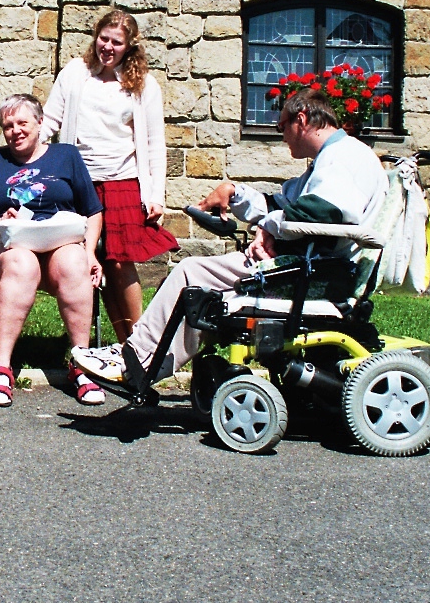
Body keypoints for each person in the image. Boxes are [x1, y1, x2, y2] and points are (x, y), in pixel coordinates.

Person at [71, 86, 388, 386]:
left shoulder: (346, 156)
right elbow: (283, 204)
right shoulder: (333, 159)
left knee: (190, 274)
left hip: (314, 274)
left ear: (301, 120)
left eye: (282, 127)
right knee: (202, 292)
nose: (282, 137)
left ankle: (132, 358)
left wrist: (270, 227)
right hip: (310, 267)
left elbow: (326, 211)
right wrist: (234, 193)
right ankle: (143, 365)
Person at [41, 8, 176, 355]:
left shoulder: (143, 84)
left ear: (129, 46)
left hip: (122, 180)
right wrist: (31, 154)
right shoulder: (75, 73)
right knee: (83, 263)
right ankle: (105, 346)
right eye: (104, 38)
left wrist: (156, 195)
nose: (108, 47)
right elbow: (51, 119)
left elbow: (154, 143)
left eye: (117, 42)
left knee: (118, 262)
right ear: (95, 36)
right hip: (78, 180)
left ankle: (140, 345)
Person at [0, 93, 105, 407]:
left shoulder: (66, 156)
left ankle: (82, 364)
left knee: (74, 260)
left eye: (22, 123)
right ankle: (1, 367)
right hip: (3, 248)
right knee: (22, 261)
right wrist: (0, 222)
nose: (15, 131)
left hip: (59, 244)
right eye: (8, 125)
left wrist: (90, 252)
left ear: (40, 123)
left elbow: (93, 211)